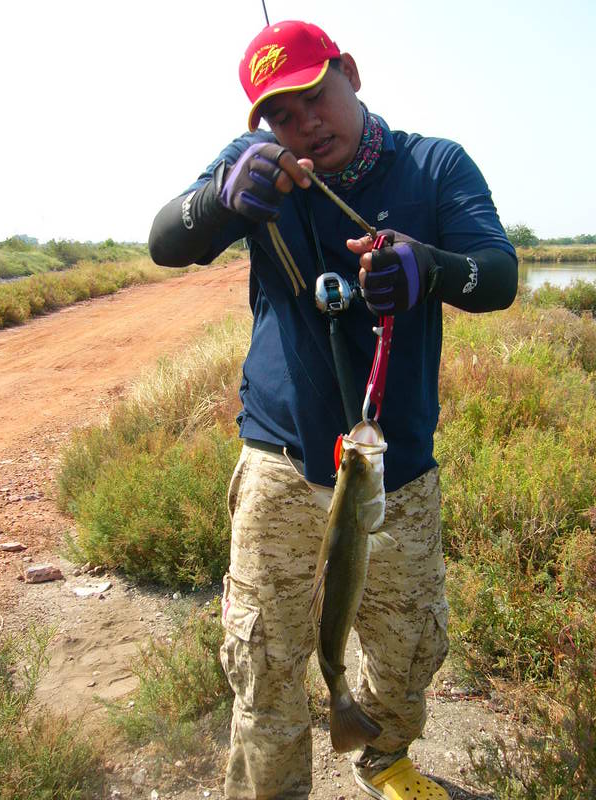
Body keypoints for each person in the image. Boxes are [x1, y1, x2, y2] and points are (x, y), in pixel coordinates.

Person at [149, 19, 517, 800]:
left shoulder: (434, 164)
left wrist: (431, 268)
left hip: (397, 470)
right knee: (266, 656)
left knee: (408, 646)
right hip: (280, 464)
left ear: (350, 72)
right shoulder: (255, 166)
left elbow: (499, 274)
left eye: (316, 96)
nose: (303, 123)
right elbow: (165, 243)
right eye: (280, 114)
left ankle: (384, 758)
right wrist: (219, 198)